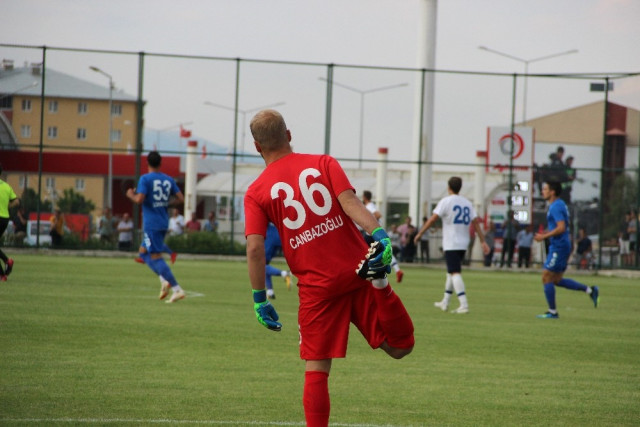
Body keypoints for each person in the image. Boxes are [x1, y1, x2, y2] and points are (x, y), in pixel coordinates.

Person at [244, 110, 414, 426]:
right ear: (289, 135)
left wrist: (259, 298)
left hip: (317, 289)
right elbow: (351, 203)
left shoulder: (256, 192)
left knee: (317, 368)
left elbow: (254, 249)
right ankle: (382, 286)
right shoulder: (324, 162)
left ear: (257, 147)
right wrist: (378, 234)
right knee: (400, 347)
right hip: (358, 270)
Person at [414, 176, 490, 314]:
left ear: (448, 187)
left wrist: (420, 233)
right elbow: (476, 222)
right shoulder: (467, 202)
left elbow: (432, 219)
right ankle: (446, 301)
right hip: (463, 242)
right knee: (451, 271)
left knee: (455, 272)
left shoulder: (446, 201)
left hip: (451, 242)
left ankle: (464, 304)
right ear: (460, 187)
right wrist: (482, 240)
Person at [533, 181, 599, 319]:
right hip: (561, 245)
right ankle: (590, 290)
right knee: (556, 279)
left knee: (546, 276)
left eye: (545, 189)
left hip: (559, 246)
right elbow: (559, 227)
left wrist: (544, 236)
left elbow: (561, 227)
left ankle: (552, 312)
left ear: (552, 192)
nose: (542, 191)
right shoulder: (559, 204)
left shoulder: (556, 206)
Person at [127, 151, 186, 303]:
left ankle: (176, 288)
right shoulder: (168, 179)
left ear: (147, 163)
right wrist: (167, 204)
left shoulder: (145, 179)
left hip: (151, 224)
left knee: (155, 257)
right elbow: (181, 199)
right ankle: (163, 279)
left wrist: (130, 195)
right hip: (163, 221)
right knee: (142, 253)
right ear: (160, 163)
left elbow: (139, 200)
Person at [361, 190, 404, 282]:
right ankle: (397, 270)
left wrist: (369, 222)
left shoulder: (369, 206)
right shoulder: (371, 205)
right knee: (383, 251)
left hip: (371, 233)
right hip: (375, 232)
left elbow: (378, 215)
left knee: (362, 249)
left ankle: (367, 272)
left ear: (364, 197)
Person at [0, 163, 20, 281]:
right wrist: (7, 206)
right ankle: (2, 275)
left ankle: (7, 261)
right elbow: (17, 202)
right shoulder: (7, 186)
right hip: (4, 218)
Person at [264, 222, 292, 300]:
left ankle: (285, 273)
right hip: (278, 234)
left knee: (261, 265)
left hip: (271, 235)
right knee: (264, 266)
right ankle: (270, 292)